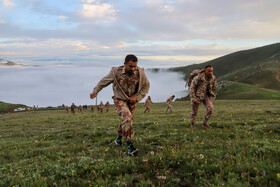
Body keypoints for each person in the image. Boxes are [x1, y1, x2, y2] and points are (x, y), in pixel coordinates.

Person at [90, 54, 150, 156]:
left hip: (132, 101)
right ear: (125, 64)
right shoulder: (116, 73)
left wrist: (137, 98)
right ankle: (130, 146)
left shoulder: (140, 73)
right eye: (131, 66)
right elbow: (103, 82)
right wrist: (95, 91)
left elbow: (146, 87)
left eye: (135, 66)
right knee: (127, 118)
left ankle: (118, 140)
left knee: (127, 121)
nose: (133, 68)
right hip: (119, 99)